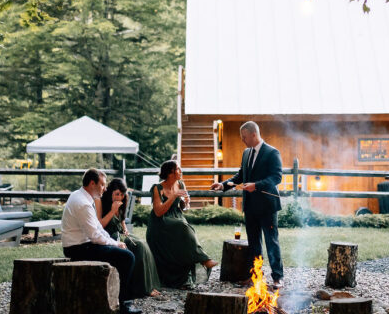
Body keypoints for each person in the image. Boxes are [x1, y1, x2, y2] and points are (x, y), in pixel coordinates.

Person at [210, 121, 285, 287]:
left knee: (271, 242)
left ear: (253, 134)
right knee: (254, 243)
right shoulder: (246, 153)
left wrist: (256, 185)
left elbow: (276, 177)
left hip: (267, 206)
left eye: (244, 137)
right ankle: (256, 277)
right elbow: (241, 175)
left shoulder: (272, 153)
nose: (242, 140)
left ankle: (278, 277)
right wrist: (223, 185)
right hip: (250, 206)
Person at [61, 169, 140, 314]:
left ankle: (122, 298)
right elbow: (95, 235)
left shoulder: (82, 197)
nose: (105, 188)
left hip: (84, 244)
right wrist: (115, 244)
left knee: (124, 253)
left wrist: (114, 243)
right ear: (92, 183)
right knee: (127, 257)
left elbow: (97, 227)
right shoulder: (82, 203)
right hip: (77, 248)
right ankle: (122, 304)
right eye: (102, 184)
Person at [147, 160, 217, 289]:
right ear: (170, 173)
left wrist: (186, 203)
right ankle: (204, 259)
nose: (181, 171)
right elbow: (158, 212)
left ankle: (185, 278)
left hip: (177, 217)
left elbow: (184, 208)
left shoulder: (180, 184)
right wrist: (173, 196)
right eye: (178, 169)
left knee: (186, 229)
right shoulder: (157, 188)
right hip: (160, 222)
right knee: (183, 227)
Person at [99, 178, 162, 299]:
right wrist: (112, 211)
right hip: (110, 236)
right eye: (117, 194)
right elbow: (101, 225)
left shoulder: (123, 201)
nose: (119, 197)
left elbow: (122, 220)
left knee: (142, 243)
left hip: (121, 233)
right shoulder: (104, 203)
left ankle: (149, 284)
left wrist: (125, 230)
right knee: (138, 247)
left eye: (122, 194)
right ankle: (142, 288)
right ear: (111, 192)